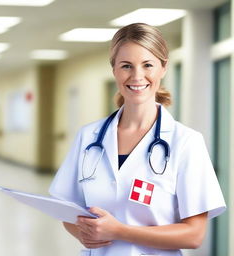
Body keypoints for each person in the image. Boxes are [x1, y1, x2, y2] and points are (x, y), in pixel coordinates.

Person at [49, 23, 226, 256]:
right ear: (114, 70)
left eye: (148, 65)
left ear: (163, 68)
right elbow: (68, 212)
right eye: (126, 66)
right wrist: (84, 233)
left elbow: (193, 235)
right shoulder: (88, 137)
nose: (137, 76)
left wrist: (119, 231)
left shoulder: (186, 142)